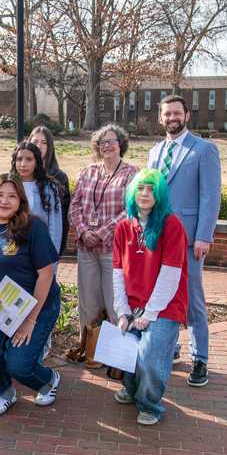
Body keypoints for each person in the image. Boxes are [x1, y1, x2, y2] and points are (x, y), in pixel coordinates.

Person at [0, 174, 62, 416]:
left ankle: (48, 380)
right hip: (2, 304)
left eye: (12, 196)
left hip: (38, 304)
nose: (4, 201)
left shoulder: (34, 227)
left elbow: (46, 274)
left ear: (20, 200)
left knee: (18, 364)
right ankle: (4, 392)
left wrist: (30, 320)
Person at [147, 95, 221, 387]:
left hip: (190, 241)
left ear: (187, 116)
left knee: (192, 301)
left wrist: (204, 236)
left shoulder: (204, 150)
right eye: (167, 114)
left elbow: (210, 197)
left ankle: (200, 357)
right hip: (159, 239)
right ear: (161, 118)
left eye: (176, 113)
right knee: (163, 297)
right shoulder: (154, 152)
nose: (171, 118)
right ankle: (170, 346)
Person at [112, 169, 188, 425]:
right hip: (133, 304)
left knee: (149, 357)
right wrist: (123, 311)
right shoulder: (124, 226)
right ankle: (132, 390)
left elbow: (170, 274)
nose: (145, 194)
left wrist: (150, 313)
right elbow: (117, 272)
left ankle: (149, 404)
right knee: (126, 349)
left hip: (165, 306)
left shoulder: (171, 225)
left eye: (151, 190)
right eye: (141, 188)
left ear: (160, 195)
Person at [68, 124, 138, 368]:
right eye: (102, 142)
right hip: (86, 248)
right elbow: (74, 206)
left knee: (114, 301)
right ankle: (92, 353)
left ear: (121, 144)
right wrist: (85, 231)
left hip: (114, 250)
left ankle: (118, 357)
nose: (107, 145)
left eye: (112, 141)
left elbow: (131, 209)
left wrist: (101, 232)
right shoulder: (87, 172)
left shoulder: (131, 174)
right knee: (88, 303)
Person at [10, 142, 62, 257]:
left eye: (29, 159)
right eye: (19, 159)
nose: (23, 164)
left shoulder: (49, 187)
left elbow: (55, 225)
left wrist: (52, 255)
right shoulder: (8, 185)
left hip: (40, 250)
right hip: (12, 251)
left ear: (36, 162)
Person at [28, 126, 70, 254]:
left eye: (44, 142)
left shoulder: (59, 177)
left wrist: (58, 248)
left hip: (47, 243)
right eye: (35, 142)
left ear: (50, 146)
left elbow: (63, 216)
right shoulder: (21, 175)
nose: (39, 146)